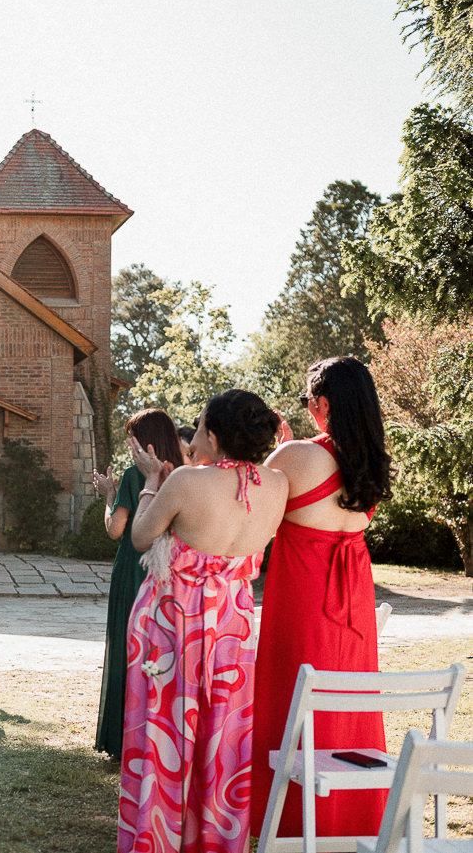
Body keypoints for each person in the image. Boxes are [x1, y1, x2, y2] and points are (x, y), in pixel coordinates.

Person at [118, 389, 287, 853]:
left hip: (172, 624)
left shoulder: (187, 482)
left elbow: (138, 537)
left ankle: (154, 840)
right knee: (223, 739)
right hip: (233, 624)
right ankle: (214, 842)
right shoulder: (277, 485)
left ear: (212, 434)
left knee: (161, 737)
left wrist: (152, 479)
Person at [250, 357, 393, 840]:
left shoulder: (298, 457)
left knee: (292, 700)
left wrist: (275, 453)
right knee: (347, 707)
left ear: (323, 404)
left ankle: (290, 823)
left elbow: (246, 516)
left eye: (310, 402)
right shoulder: (369, 463)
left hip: (304, 602)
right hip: (353, 607)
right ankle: (351, 821)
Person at [91, 408, 185, 761]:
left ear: (143, 440)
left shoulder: (135, 475)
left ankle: (123, 739)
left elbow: (117, 530)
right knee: (162, 651)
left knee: (127, 650)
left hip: (134, 570)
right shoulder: (183, 471)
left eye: (131, 437)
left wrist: (109, 494)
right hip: (172, 572)